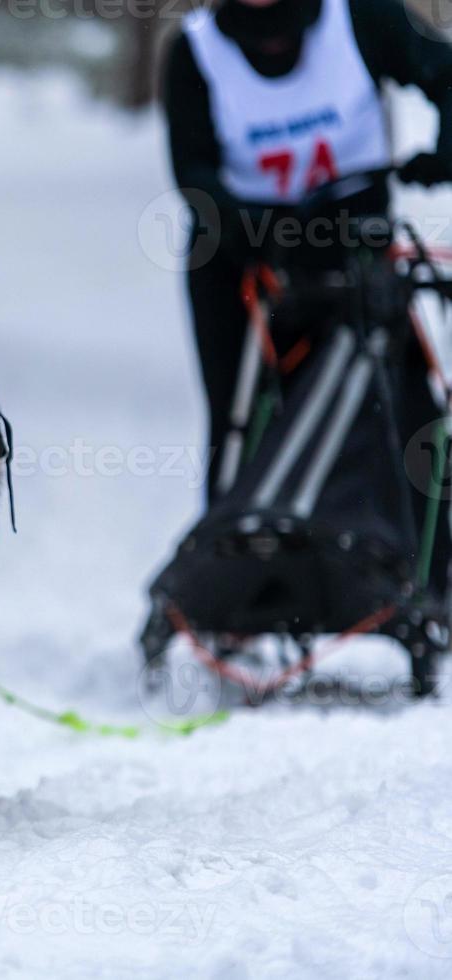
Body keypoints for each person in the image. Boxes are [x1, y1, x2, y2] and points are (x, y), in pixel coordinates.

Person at [163, 0, 452, 594]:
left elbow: (445, 73)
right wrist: (257, 233)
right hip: (239, 258)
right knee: (239, 422)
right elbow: (195, 174)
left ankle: (430, 581)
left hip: (354, 248)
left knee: (402, 412)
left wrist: (444, 152)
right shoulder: (196, 50)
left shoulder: (363, 18)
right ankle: (234, 582)